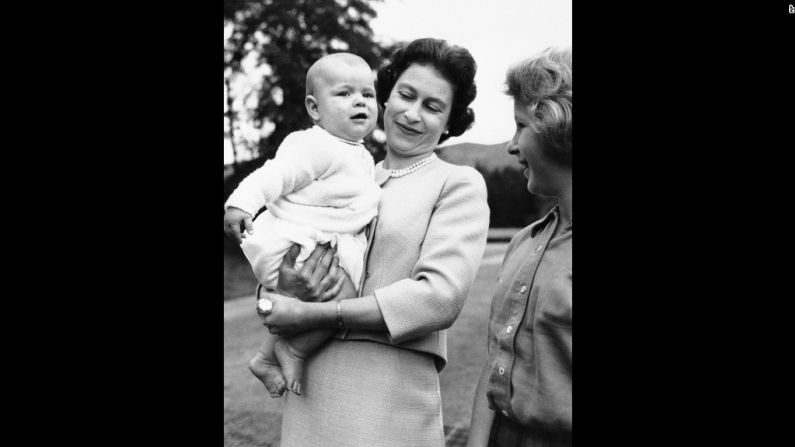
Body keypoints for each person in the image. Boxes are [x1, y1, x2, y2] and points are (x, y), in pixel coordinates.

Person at [258, 38, 490, 446]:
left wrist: (315, 315)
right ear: (386, 97)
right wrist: (278, 290)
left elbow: (439, 297)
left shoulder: (457, 183)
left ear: (450, 121)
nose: (412, 114)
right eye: (405, 95)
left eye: (433, 107)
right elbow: (281, 243)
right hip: (310, 388)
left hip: (389, 390)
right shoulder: (343, 171)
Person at [222, 52, 382, 397]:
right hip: (297, 241)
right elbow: (274, 174)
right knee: (345, 297)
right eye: (344, 93)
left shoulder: (358, 153)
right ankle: (291, 350)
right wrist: (240, 203)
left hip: (317, 244)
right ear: (314, 108)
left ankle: (265, 358)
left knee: (329, 300)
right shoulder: (315, 145)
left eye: (368, 95)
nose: (360, 102)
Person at [466, 47, 572, 447]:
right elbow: (494, 363)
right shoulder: (522, 243)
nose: (511, 146)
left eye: (520, 126)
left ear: (557, 126)